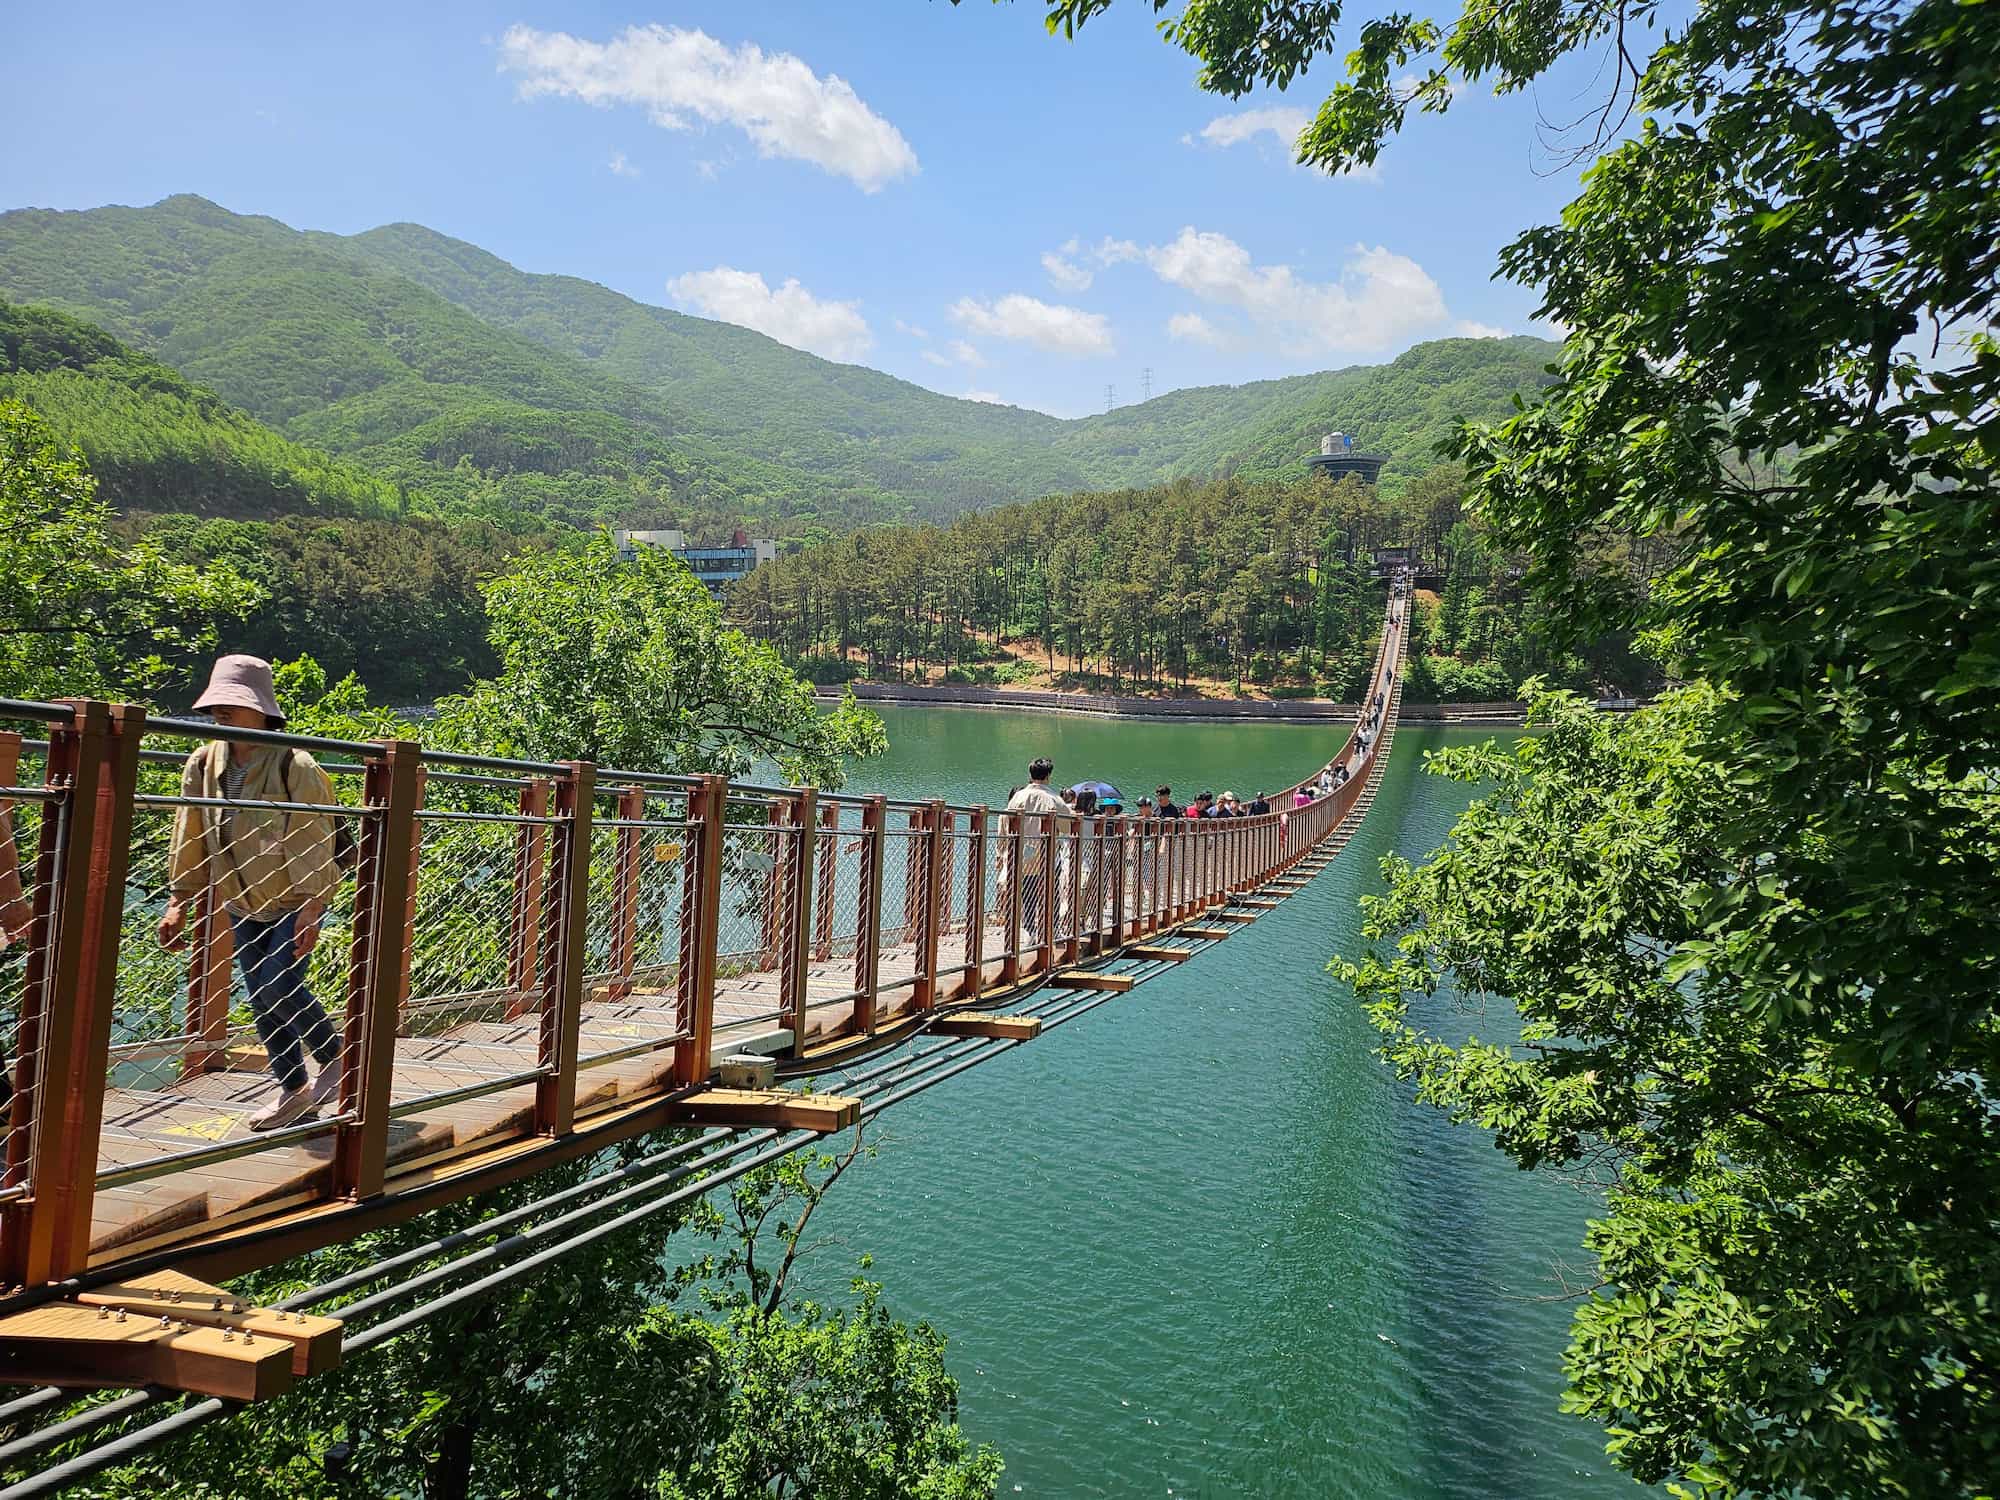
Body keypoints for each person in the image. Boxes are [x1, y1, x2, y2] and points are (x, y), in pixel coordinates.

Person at [158, 655, 344, 1132]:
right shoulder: (203, 763)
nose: (220, 712)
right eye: (216, 704)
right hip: (241, 901)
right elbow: (190, 831)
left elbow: (313, 837)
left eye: (232, 703)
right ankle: (293, 1089)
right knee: (260, 998)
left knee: (277, 986)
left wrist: (313, 906)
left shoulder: (293, 764)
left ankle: (337, 1058)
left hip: (293, 898)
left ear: (261, 709)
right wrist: (180, 899)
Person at [1005, 757, 1065, 941]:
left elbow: (1007, 821)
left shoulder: (1018, 797)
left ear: (1030, 775)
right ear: (1048, 776)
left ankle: (1029, 930)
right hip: (1048, 853)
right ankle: (1052, 928)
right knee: (1051, 892)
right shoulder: (1054, 799)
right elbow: (1068, 826)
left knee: (1028, 892)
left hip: (1023, 853)